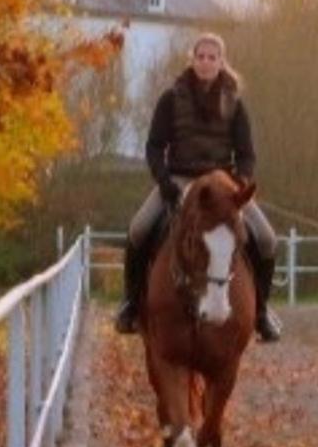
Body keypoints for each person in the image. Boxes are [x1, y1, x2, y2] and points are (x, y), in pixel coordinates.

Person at [115, 32, 283, 342]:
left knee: (268, 240)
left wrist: (241, 186)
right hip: (181, 180)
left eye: (212, 57)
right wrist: (165, 183)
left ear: (222, 62)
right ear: (192, 60)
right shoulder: (170, 99)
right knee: (138, 229)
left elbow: (246, 155)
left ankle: (261, 311)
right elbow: (154, 147)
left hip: (223, 186)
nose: (206, 62)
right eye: (201, 56)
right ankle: (130, 304)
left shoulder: (235, 103)